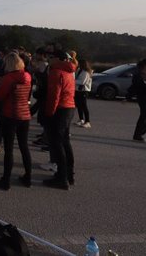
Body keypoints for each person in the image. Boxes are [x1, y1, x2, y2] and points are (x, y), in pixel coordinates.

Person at [0, 53, 32, 190]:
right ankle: (28, 177)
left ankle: (6, 180)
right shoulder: (27, 76)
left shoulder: (9, 78)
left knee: (9, 150)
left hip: (10, 115)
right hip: (25, 115)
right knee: (24, 147)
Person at [42, 50, 77, 190]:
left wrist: (49, 113)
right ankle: (69, 174)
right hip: (69, 107)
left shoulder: (56, 72)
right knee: (65, 142)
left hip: (60, 109)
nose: (48, 59)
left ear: (58, 59)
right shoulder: (68, 71)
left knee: (57, 144)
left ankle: (62, 178)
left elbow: (54, 95)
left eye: (51, 57)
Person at [74, 60, 93, 128]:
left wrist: (72, 80)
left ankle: (87, 122)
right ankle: (81, 119)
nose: (78, 64)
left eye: (79, 63)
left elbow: (82, 82)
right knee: (79, 106)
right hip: (78, 90)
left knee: (84, 106)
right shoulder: (80, 70)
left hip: (83, 91)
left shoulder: (85, 72)